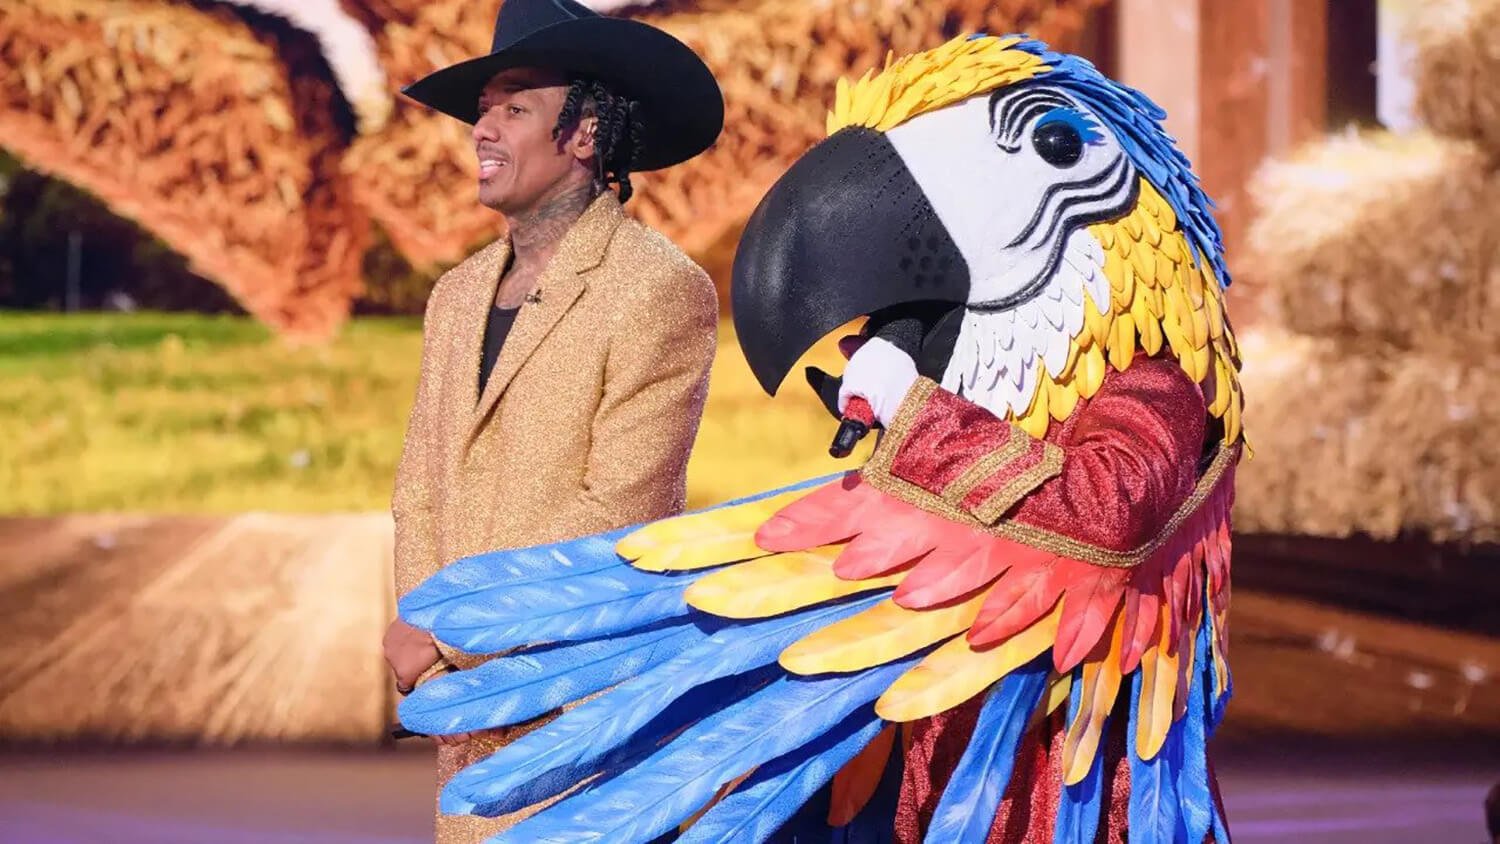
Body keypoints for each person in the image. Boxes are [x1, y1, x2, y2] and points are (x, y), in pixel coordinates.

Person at [379, 0, 723, 839]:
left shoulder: (656, 288)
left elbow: (620, 510)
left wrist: (451, 625)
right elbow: (420, 483)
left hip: (579, 707)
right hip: (465, 710)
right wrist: (424, 623)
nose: (482, 130)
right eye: (483, 110)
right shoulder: (456, 295)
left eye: (513, 107)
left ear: (584, 133)